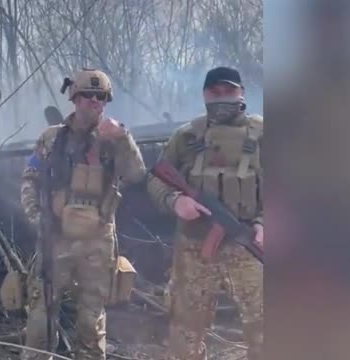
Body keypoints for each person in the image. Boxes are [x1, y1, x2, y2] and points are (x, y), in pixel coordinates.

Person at [19, 68, 147, 360]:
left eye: (100, 97)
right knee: (40, 318)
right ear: (74, 98)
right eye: (87, 95)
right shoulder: (51, 139)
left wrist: (123, 137)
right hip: (56, 237)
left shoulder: (116, 139)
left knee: (91, 322)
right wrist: (36, 216)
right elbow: (30, 177)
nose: (94, 102)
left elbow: (137, 174)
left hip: (98, 241)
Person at [146, 66, 264, 360]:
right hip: (194, 247)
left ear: (242, 94)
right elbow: (156, 177)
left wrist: (265, 222)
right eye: (215, 92)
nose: (222, 97)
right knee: (186, 333)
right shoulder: (185, 137)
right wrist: (175, 201)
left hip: (248, 245)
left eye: (229, 91)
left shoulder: (264, 134)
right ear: (204, 95)